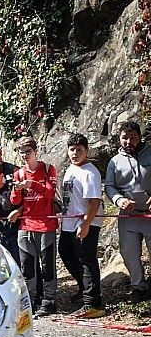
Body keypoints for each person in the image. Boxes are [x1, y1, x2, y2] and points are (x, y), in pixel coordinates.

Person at [10, 136, 59, 316]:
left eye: (28, 152)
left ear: (36, 151)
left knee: (47, 264)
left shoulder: (47, 169)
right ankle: (30, 299)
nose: (24, 156)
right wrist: (17, 189)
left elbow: (50, 193)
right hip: (26, 223)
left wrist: (32, 184)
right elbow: (14, 200)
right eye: (21, 152)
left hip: (46, 223)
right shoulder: (19, 173)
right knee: (27, 264)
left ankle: (49, 299)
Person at [58, 133, 106, 318]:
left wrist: (86, 224)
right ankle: (84, 288)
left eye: (79, 150)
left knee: (86, 259)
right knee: (67, 253)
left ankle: (93, 302)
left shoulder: (90, 172)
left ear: (87, 151)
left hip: (86, 222)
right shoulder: (71, 169)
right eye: (72, 149)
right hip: (69, 222)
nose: (75, 153)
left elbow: (94, 201)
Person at [104, 121, 151, 304]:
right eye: (125, 138)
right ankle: (137, 287)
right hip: (128, 216)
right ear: (119, 139)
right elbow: (109, 186)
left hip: (149, 214)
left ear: (139, 137)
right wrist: (119, 200)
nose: (128, 141)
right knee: (129, 253)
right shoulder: (114, 162)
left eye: (132, 137)